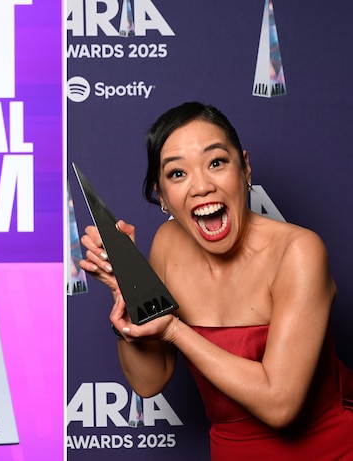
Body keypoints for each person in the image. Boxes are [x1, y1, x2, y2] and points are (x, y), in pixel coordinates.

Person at [79, 102, 353, 459]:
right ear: (162, 196)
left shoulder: (299, 251)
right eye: (178, 174)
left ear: (245, 169)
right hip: (231, 449)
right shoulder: (167, 243)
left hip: (328, 447)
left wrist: (176, 331)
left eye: (216, 162)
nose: (202, 186)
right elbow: (149, 381)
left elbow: (280, 404)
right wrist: (127, 290)